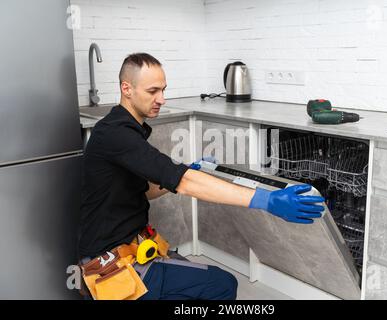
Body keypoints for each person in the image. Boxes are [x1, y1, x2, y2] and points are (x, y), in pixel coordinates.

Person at [78, 53, 325, 300]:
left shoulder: (126, 129)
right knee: (222, 284)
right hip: (110, 267)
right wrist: (267, 200)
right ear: (126, 89)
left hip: (132, 249)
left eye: (163, 90)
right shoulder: (116, 134)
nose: (161, 99)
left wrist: (189, 169)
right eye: (153, 91)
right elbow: (183, 183)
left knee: (204, 281)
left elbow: (147, 191)